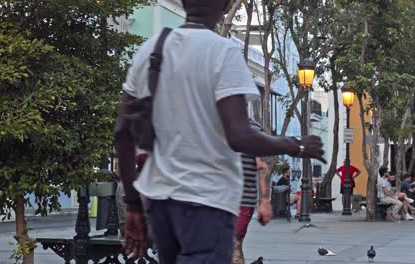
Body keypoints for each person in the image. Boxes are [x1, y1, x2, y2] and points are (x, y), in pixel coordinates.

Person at [114, 0, 326, 261]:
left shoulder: (152, 49)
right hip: (207, 202)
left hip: (161, 204)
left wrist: (133, 203)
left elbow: (123, 133)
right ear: (225, 6)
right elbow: (239, 136)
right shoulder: (223, 52)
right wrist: (296, 145)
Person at [232, 120, 272, 264]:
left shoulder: (252, 131)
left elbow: (263, 167)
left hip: (242, 199)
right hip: (217, 200)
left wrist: (264, 201)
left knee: (234, 244)